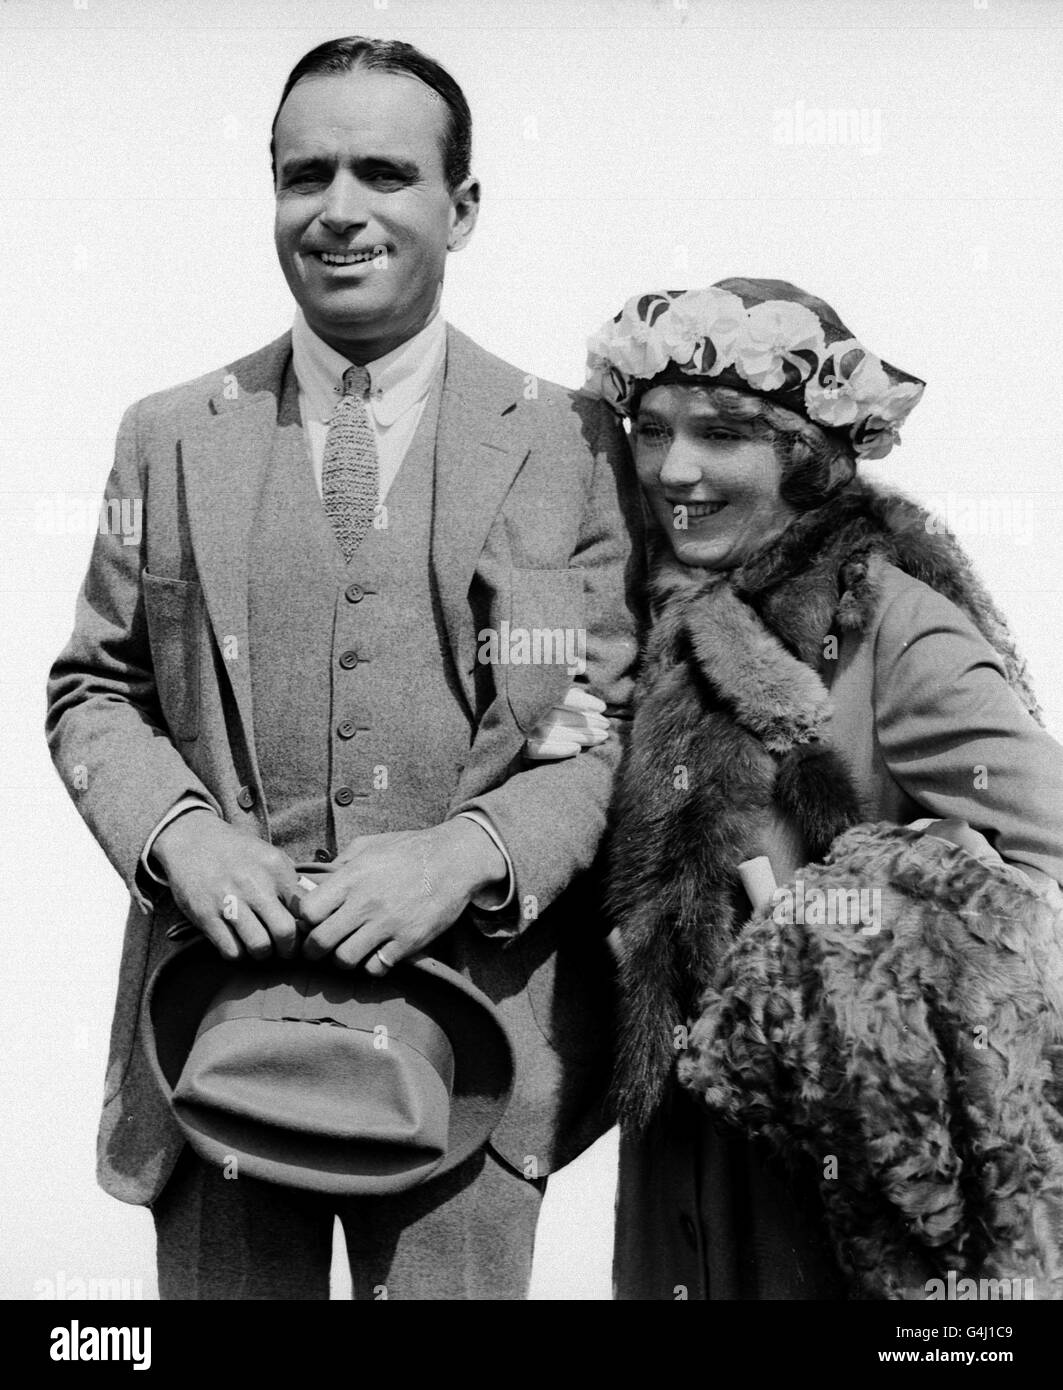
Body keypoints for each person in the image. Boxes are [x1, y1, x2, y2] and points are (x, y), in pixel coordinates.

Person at [45, 35, 642, 1301]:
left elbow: (601, 720)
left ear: (461, 206)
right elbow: (96, 687)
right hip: (209, 1045)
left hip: (471, 1055)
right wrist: (183, 836)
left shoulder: (572, 442)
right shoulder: (164, 438)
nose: (339, 209)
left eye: (385, 171)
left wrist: (472, 848)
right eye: (305, 173)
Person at [581, 278, 1063, 1299]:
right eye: (652, 428)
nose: (675, 468)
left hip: (845, 1176)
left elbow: (1048, 864)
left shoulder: (896, 627)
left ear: (804, 456)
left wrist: (850, 948)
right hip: (682, 1168)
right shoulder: (654, 626)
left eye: (721, 433)